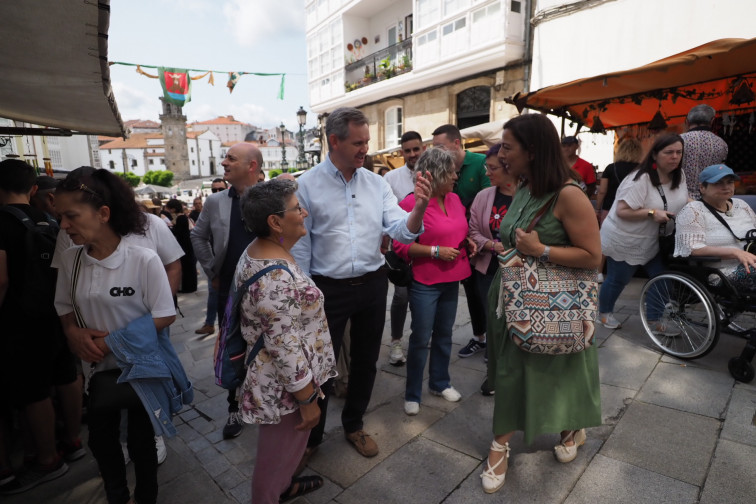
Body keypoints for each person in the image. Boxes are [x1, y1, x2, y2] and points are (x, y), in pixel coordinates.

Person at [292, 107, 431, 459]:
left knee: (367, 360)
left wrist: (419, 208)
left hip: (372, 284)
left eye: (367, 142)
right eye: (358, 142)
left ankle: (354, 425)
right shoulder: (306, 185)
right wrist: (306, 297)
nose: (364, 149)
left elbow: (401, 228)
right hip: (327, 289)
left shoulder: (376, 183)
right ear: (334, 141)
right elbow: (302, 246)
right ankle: (312, 438)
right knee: (321, 366)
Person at [481, 113, 602, 494]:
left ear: (533, 151)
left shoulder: (569, 194)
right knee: (511, 370)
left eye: (509, 147)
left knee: (556, 365)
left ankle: (563, 429)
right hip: (512, 294)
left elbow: (593, 256)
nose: (501, 154)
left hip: (554, 301)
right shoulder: (524, 187)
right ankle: (511, 440)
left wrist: (542, 250)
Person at [53, 168, 183, 504]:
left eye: (71, 216)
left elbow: (164, 313)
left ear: (103, 213)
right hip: (97, 371)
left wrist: (111, 341)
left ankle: (147, 497)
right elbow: (64, 305)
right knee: (101, 440)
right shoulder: (71, 260)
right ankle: (115, 495)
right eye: (60, 217)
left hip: (142, 366)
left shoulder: (142, 258)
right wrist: (72, 333)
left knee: (142, 441)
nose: (64, 226)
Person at [235, 179, 336, 503]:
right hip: (286, 391)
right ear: (275, 222)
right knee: (274, 461)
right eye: (296, 208)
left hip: (285, 385)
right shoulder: (275, 278)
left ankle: (283, 487)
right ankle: (271, 495)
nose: (304, 212)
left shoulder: (261, 251)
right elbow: (284, 347)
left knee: (283, 457)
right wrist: (308, 402)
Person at [0, 160, 80, 495]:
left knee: (33, 389)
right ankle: (73, 440)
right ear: (33, 188)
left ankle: (48, 459)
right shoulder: (50, 219)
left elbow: (1, 279)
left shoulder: (1, 223)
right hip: (55, 312)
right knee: (65, 374)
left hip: (20, 320)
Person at [394, 148, 474, 416]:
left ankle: (440, 382)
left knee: (444, 335)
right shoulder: (411, 203)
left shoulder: (454, 199)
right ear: (437, 173)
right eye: (451, 171)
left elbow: (458, 228)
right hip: (425, 282)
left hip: (452, 278)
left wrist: (467, 241)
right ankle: (413, 392)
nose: (455, 175)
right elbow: (401, 247)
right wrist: (435, 251)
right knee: (420, 338)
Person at [191, 143, 263, 439]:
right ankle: (234, 406)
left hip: (265, 291)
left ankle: (265, 400)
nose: (223, 163)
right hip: (230, 292)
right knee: (233, 348)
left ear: (252, 166)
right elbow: (198, 236)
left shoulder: (271, 197)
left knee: (267, 345)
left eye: (231, 159)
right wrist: (212, 270)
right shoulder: (215, 202)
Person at [598, 133, 689, 331]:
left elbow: (682, 200)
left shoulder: (679, 176)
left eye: (678, 152)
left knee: (663, 278)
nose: (674, 157)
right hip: (625, 238)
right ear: (655, 155)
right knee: (618, 279)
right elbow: (622, 211)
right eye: (669, 152)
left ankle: (654, 319)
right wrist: (651, 213)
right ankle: (604, 313)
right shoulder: (640, 178)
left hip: (654, 240)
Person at [432, 124, 491, 360]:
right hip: (459, 244)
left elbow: (489, 201)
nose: (437, 152)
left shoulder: (480, 163)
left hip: (481, 241)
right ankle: (479, 338)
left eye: (440, 146)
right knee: (472, 293)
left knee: (486, 293)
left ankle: (494, 344)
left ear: (456, 144)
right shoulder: (440, 168)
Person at [468, 144, 519, 395]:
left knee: (519, 323)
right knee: (494, 322)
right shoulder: (483, 196)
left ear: (509, 167)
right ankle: (495, 375)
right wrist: (491, 245)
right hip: (489, 270)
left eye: (492, 168)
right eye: (486, 167)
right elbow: (473, 230)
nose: (487, 173)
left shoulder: (528, 196)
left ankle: (517, 374)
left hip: (521, 272)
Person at [675, 164, 756, 290]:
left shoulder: (742, 205)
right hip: (721, 273)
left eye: (730, 182)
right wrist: (735, 252)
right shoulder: (693, 210)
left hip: (751, 263)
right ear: (702, 187)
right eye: (718, 183)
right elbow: (693, 249)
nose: (726, 187)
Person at [383, 130, 426, 366]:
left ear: (423, 148)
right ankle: (396, 341)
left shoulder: (432, 174)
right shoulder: (391, 178)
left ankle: (420, 337)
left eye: (415, 149)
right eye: (407, 150)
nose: (412, 154)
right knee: (400, 296)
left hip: (428, 246)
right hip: (401, 248)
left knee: (424, 296)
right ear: (402, 153)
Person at [194, 178, 228, 336]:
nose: (217, 192)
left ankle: (211, 324)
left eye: (220, 189)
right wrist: (210, 266)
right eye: (214, 190)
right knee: (214, 293)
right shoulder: (211, 207)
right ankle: (210, 323)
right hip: (215, 264)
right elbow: (199, 236)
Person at [680, 104, 728, 200]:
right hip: (710, 199)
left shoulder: (679, 140)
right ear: (712, 121)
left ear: (687, 121)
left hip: (682, 198)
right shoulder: (722, 144)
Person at [595, 137, 643, 225]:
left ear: (620, 151)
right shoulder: (643, 169)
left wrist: (597, 210)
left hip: (609, 208)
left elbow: (602, 191)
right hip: (634, 210)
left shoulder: (610, 168)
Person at [165, 199, 197, 293]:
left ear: (173, 209)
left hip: (184, 245)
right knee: (189, 266)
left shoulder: (180, 218)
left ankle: (188, 287)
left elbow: (178, 232)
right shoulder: (182, 217)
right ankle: (190, 286)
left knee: (186, 267)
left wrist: (168, 229)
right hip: (186, 244)